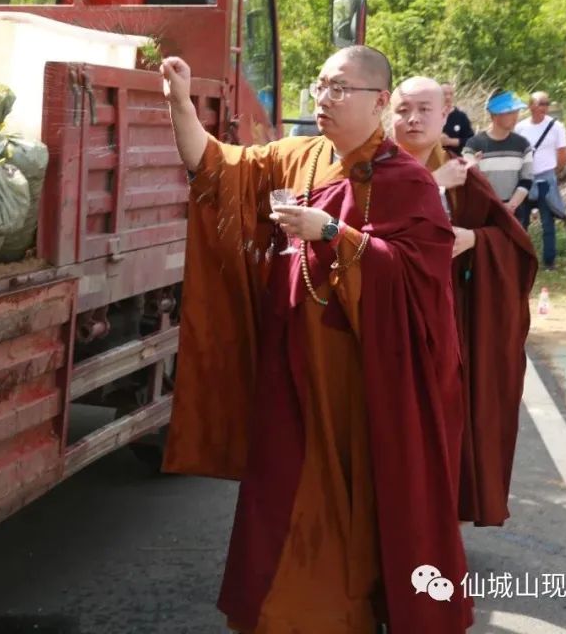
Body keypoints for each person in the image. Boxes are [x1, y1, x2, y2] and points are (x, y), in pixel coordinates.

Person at [160, 48, 472, 634]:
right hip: (292, 367)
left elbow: (419, 278)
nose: (322, 99)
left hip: (360, 382)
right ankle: (287, 615)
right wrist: (180, 104)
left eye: (339, 89)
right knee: (282, 497)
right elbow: (216, 168)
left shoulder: (406, 181)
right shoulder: (296, 157)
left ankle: (357, 611)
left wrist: (334, 232)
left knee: (361, 505)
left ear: (379, 102)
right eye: (320, 86)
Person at [392, 77, 538, 527]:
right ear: (386, 111)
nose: (412, 119)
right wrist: (431, 184)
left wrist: (474, 238)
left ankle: (433, 522)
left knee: (443, 423)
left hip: (447, 321)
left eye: (424, 110)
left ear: (445, 116)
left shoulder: (464, 175)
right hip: (387, 320)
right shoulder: (370, 170)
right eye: (403, 109)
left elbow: (515, 247)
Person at [515, 92, 566, 270]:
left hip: (546, 178)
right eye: (540, 103)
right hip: (525, 178)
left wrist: (554, 172)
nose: (544, 107)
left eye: (546, 104)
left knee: (548, 222)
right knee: (522, 222)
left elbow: (562, 153)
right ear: (531, 106)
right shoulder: (521, 127)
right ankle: (521, 259)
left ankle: (549, 261)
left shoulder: (556, 127)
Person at [461, 89, 533, 213]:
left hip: (515, 213)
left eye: (516, 111)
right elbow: (470, 180)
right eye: (509, 112)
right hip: (483, 213)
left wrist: (511, 206)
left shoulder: (523, 144)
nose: (515, 116)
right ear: (494, 115)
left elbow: (526, 179)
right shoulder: (474, 144)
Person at [440, 82, 475, 157]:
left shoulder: (461, 117)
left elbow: (471, 141)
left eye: (451, 94)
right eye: (445, 94)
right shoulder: (431, 115)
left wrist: (450, 142)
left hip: (455, 161)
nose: (448, 97)